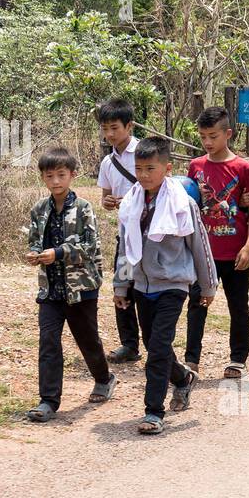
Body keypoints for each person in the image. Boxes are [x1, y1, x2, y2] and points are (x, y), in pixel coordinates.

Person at [114, 136, 218, 436]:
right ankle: (183, 379)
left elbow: (200, 246)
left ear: (167, 168)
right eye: (139, 168)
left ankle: (153, 411)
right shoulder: (131, 204)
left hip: (174, 285)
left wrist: (208, 286)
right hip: (142, 286)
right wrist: (121, 285)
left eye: (150, 168)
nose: (144, 175)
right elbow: (125, 248)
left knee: (158, 346)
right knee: (153, 344)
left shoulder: (183, 205)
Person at [24, 147, 117, 423]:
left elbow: (89, 246)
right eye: (49, 176)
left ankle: (104, 378)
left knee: (87, 339)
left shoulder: (84, 208)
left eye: (61, 175)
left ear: (72, 175)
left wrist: (59, 253)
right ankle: (48, 400)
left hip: (80, 288)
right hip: (50, 289)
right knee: (48, 342)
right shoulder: (39, 209)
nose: (55, 181)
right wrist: (35, 254)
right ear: (42, 177)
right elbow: (34, 241)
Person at [185, 106, 249, 380]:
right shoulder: (195, 167)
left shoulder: (243, 168)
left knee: (238, 305)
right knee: (197, 304)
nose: (207, 142)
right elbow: (190, 205)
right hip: (203, 252)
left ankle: (238, 359)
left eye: (213, 136)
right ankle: (191, 361)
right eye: (203, 136)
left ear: (227, 134)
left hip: (235, 250)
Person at [94, 98, 142, 364]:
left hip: (150, 238)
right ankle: (129, 344)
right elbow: (105, 199)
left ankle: (156, 343)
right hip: (125, 239)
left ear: (129, 126)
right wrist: (110, 202)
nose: (110, 134)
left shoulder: (145, 153)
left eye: (114, 128)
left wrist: (133, 201)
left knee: (148, 290)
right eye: (105, 129)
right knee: (122, 287)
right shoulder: (107, 163)